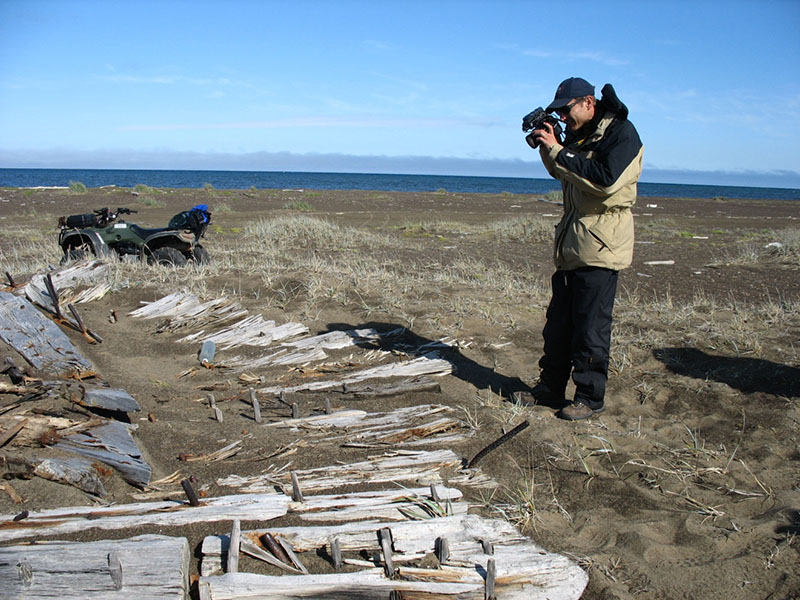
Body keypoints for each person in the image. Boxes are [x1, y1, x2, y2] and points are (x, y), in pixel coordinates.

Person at [516, 77, 643, 420]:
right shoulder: (581, 135)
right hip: (573, 243)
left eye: (566, 110)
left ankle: (589, 398)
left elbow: (604, 180)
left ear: (588, 102)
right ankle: (551, 389)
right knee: (558, 326)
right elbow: (564, 173)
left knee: (590, 328)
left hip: (602, 245)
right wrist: (548, 145)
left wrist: (559, 149)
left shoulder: (621, 134)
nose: (564, 117)